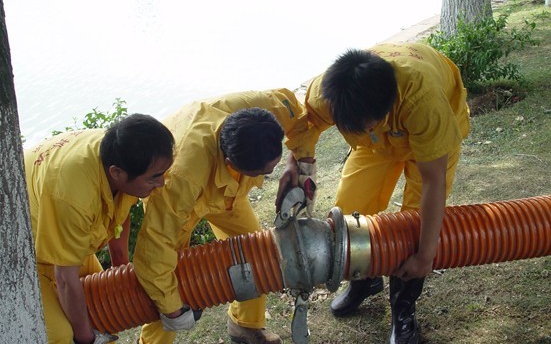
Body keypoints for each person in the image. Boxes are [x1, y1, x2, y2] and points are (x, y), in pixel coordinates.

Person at [279, 42, 470, 344]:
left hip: (428, 141)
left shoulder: (423, 100)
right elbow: (309, 123)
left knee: (412, 225)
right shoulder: (330, 91)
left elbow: (434, 183)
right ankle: (364, 281)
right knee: (350, 211)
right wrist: (295, 162)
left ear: (387, 107)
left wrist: (425, 256)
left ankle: (403, 310)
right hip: (376, 145)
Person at [132, 89, 310, 344]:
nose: (270, 174)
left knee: (257, 251)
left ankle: (245, 326)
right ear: (232, 164)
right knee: (170, 278)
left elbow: (303, 118)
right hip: (181, 199)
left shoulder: (270, 109)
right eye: (264, 172)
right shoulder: (180, 181)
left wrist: (299, 162)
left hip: (228, 193)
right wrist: (173, 309)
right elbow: (154, 250)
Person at [25, 114, 175, 344]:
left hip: (66, 239)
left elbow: (120, 211)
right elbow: (65, 278)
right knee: (65, 336)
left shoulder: (121, 153)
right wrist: (86, 338)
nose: (162, 183)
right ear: (117, 173)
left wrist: (120, 265)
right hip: (24, 257)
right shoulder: (74, 197)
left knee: (102, 313)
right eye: (154, 177)